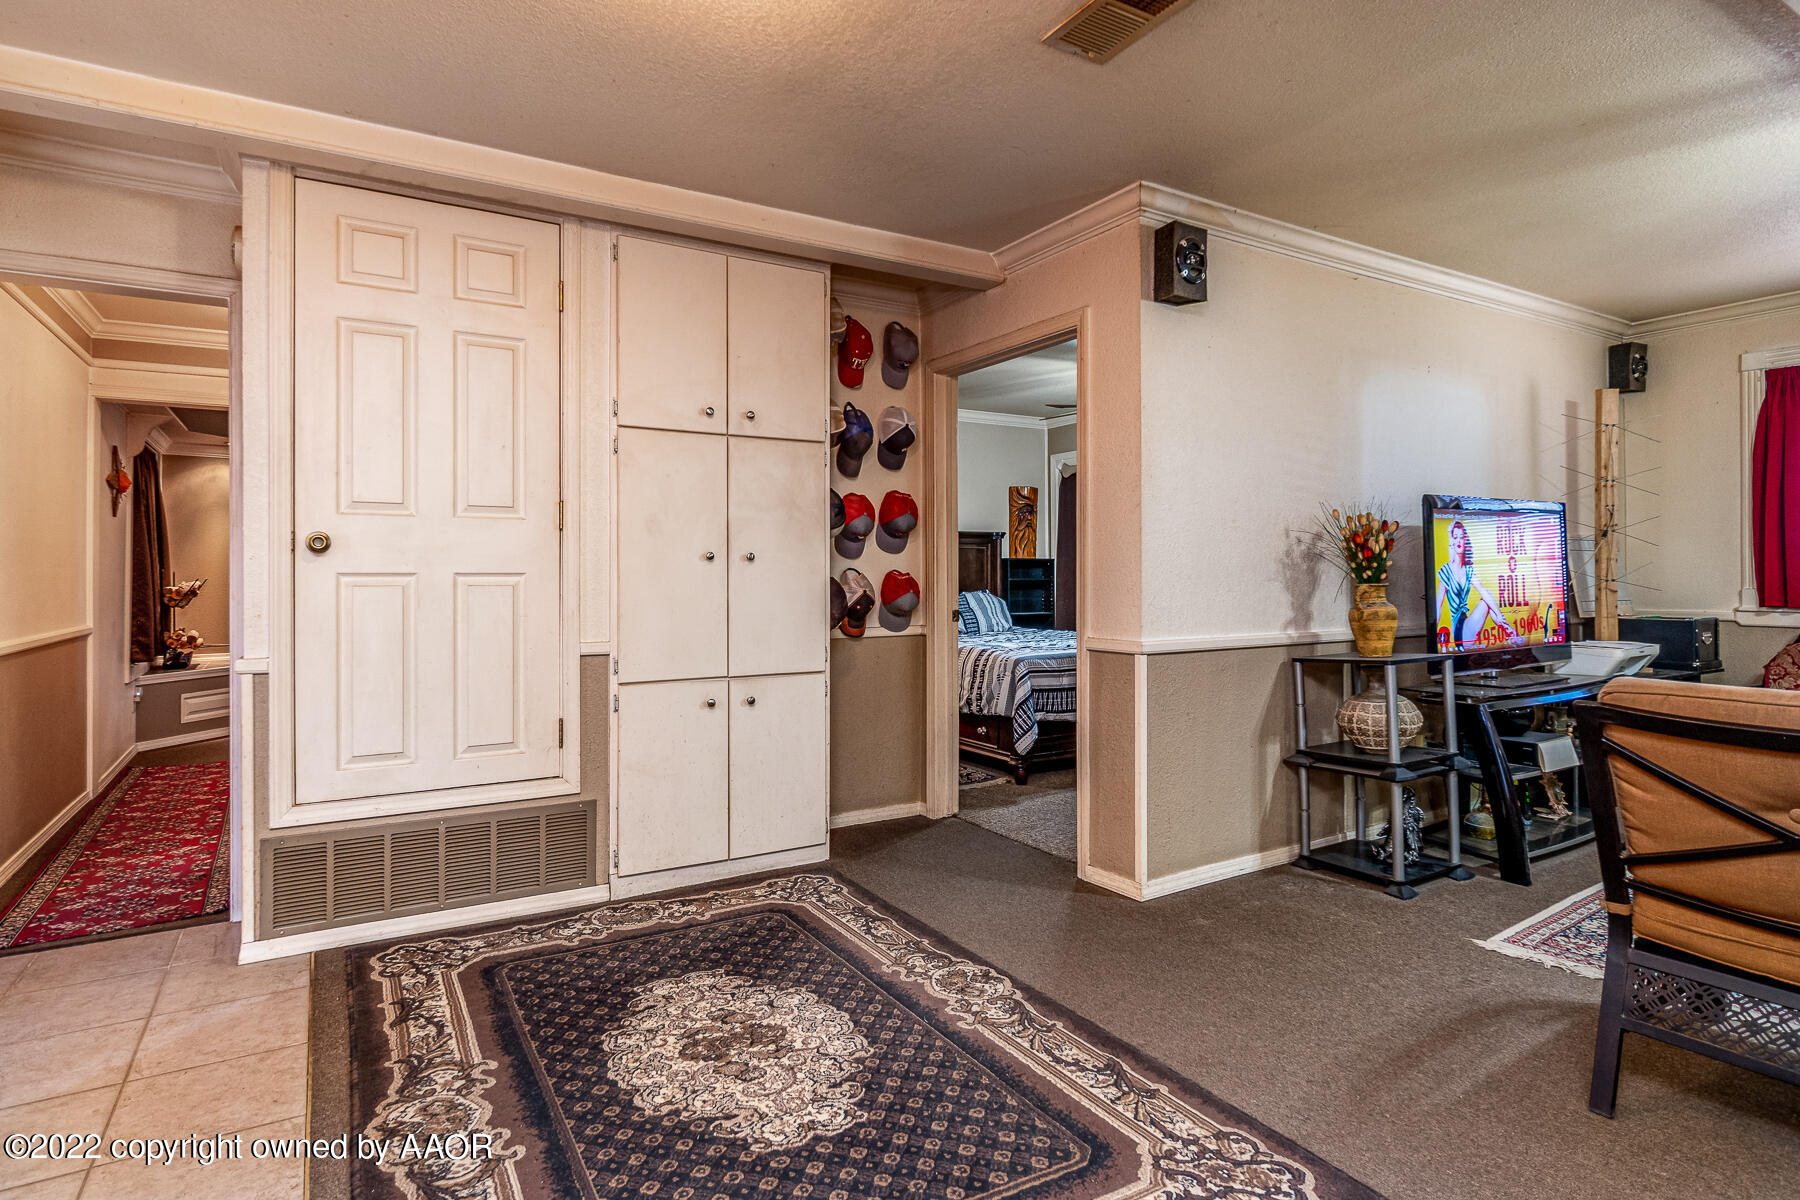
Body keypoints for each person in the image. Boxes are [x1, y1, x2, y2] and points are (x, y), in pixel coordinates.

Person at [1437, 519, 1517, 648]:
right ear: (1451, 540)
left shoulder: (1468, 571)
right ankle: (1510, 633)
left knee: (1487, 597)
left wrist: (1498, 614)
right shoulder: (1446, 571)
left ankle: (1508, 631)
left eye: (1461, 537)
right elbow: (1438, 606)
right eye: (1455, 537)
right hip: (1460, 631)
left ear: (1465, 541)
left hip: (1467, 624)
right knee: (1488, 599)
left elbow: (1483, 591)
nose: (1458, 541)